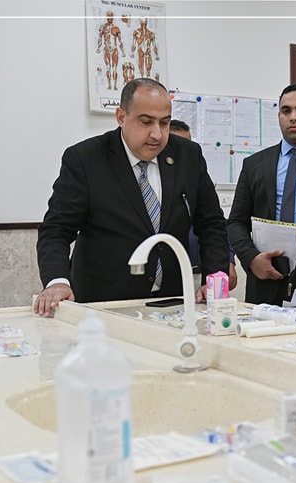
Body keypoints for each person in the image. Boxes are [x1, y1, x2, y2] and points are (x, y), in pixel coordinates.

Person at [35, 78, 229, 317]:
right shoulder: (85, 159)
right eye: (146, 122)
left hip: (172, 302)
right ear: (121, 117)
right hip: (104, 304)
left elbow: (211, 224)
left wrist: (215, 277)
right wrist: (57, 281)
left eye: (164, 123)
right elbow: (56, 229)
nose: (157, 134)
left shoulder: (188, 155)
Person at [227, 84, 296, 305]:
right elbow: (235, 222)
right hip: (267, 275)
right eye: (286, 111)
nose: (293, 117)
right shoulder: (255, 164)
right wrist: (251, 259)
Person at [169, 119, 238, 291]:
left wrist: (228, 260)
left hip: (200, 275)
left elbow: (214, 223)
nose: (182, 151)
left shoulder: (196, 179)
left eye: (187, 145)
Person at [95, 11, 124, 91]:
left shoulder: (116, 28)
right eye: (108, 16)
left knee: (114, 68)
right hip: (107, 49)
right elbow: (100, 38)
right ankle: (109, 85)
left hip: (114, 49)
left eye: (111, 16)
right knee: (108, 67)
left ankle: (114, 85)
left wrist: (122, 51)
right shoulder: (102, 27)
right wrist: (98, 48)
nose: (109, 18)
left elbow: (120, 41)